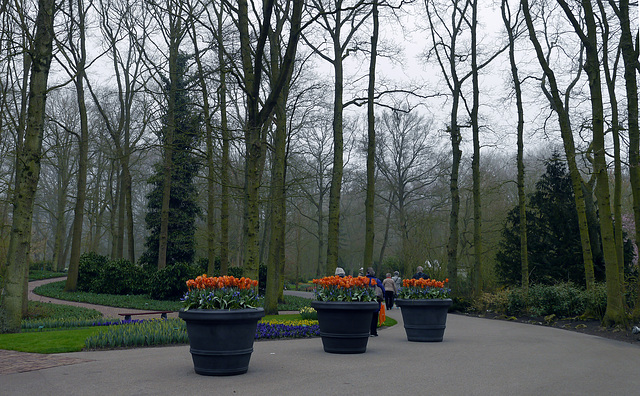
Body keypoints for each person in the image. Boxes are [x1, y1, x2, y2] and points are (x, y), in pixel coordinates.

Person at [365, 267, 385, 336]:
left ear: (367, 273)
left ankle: (366, 330)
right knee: (375, 316)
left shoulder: (364, 279)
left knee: (367, 317)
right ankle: (373, 332)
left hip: (366, 300)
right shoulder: (377, 280)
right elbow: (382, 289)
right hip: (376, 300)